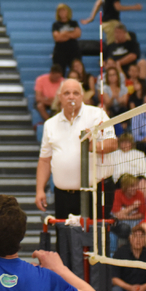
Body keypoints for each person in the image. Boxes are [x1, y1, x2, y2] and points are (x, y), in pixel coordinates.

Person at [36, 79, 117, 219]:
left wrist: (93, 146)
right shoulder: (50, 124)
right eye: (67, 93)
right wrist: (39, 190)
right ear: (60, 97)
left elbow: (112, 144)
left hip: (96, 192)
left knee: (95, 238)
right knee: (64, 239)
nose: (71, 96)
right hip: (63, 196)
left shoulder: (98, 115)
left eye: (76, 93)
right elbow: (44, 160)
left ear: (82, 96)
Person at [52, 3, 81, 74]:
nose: (62, 13)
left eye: (64, 11)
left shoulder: (74, 23)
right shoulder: (56, 25)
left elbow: (78, 34)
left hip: (73, 51)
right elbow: (57, 38)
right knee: (60, 72)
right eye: (60, 11)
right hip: (60, 52)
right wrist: (70, 34)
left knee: (75, 71)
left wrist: (64, 34)